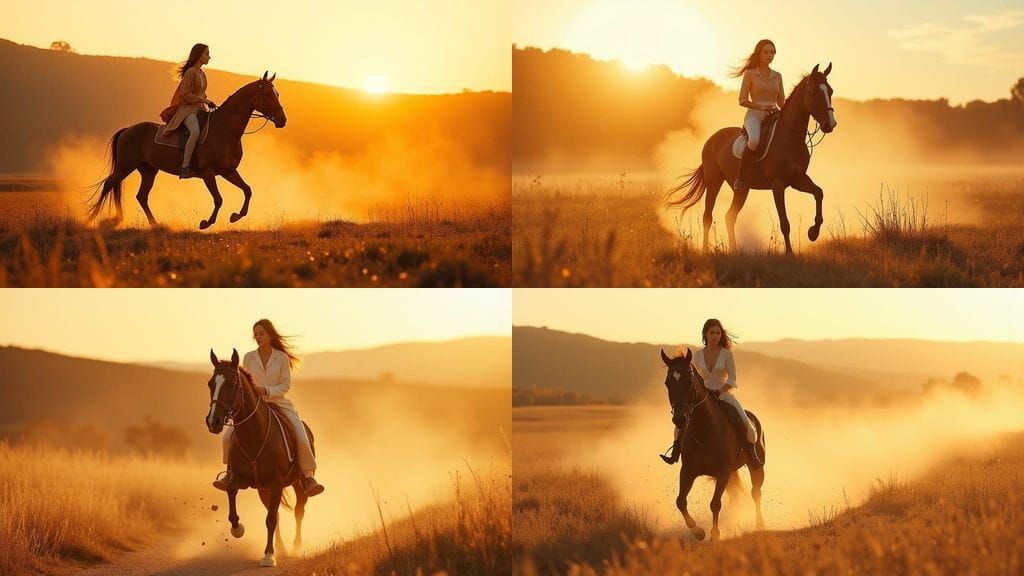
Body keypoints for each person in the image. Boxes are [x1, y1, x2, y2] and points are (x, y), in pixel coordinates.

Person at [213, 319, 325, 496]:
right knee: (227, 437)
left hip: (279, 402)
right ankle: (230, 473)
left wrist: (266, 390)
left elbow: (285, 385)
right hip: (255, 405)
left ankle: (307, 476)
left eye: (261, 333)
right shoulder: (249, 357)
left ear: (270, 335)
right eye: (256, 334)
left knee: (302, 438)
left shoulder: (282, 358)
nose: (258, 337)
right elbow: (244, 384)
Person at [661, 319, 760, 466]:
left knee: (745, 421)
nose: (715, 336)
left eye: (718, 333)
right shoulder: (698, 354)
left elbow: (732, 379)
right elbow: (693, 377)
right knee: (682, 422)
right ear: (705, 334)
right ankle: (675, 453)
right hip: (703, 395)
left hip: (724, 395)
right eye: (712, 333)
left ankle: (751, 454)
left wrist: (719, 391)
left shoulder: (727, 354)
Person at [731, 39, 786, 192]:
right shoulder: (750, 74)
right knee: (754, 140)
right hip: (754, 115)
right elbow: (742, 100)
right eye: (766, 52)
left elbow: (781, 101)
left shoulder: (778, 76)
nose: (769, 55)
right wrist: (762, 107)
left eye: (772, 52)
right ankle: (741, 178)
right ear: (759, 54)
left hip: (773, 115)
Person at [160, 43, 217, 179]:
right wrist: (204, 101)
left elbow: (201, 93)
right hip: (187, 110)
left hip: (199, 109)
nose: (209, 57)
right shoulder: (190, 72)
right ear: (199, 55)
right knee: (195, 132)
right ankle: (185, 166)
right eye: (206, 54)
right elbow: (185, 94)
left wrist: (207, 101)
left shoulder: (202, 74)